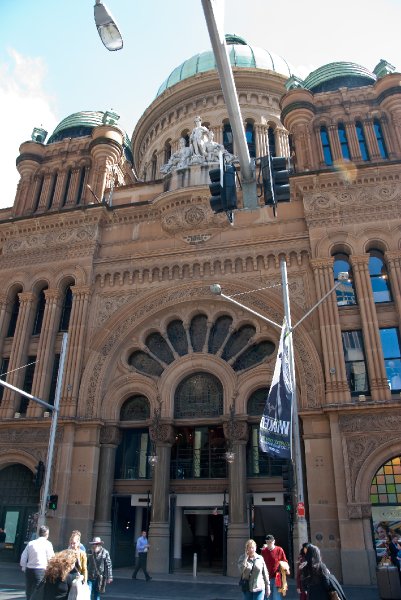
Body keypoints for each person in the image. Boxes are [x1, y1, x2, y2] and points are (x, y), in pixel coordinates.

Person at [20, 525, 54, 600]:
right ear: (47, 534)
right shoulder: (48, 544)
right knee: (38, 592)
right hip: (41, 570)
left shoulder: (31, 543)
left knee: (29, 591)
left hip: (29, 570)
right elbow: (51, 558)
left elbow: (23, 557)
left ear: (39, 533)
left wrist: (24, 567)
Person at [261, 534, 288, 600]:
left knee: (276, 597)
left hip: (277, 576)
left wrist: (285, 568)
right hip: (266, 577)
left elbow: (285, 561)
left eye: (271, 542)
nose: (269, 544)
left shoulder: (279, 550)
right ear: (266, 542)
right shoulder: (264, 551)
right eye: (267, 542)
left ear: (274, 541)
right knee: (267, 596)